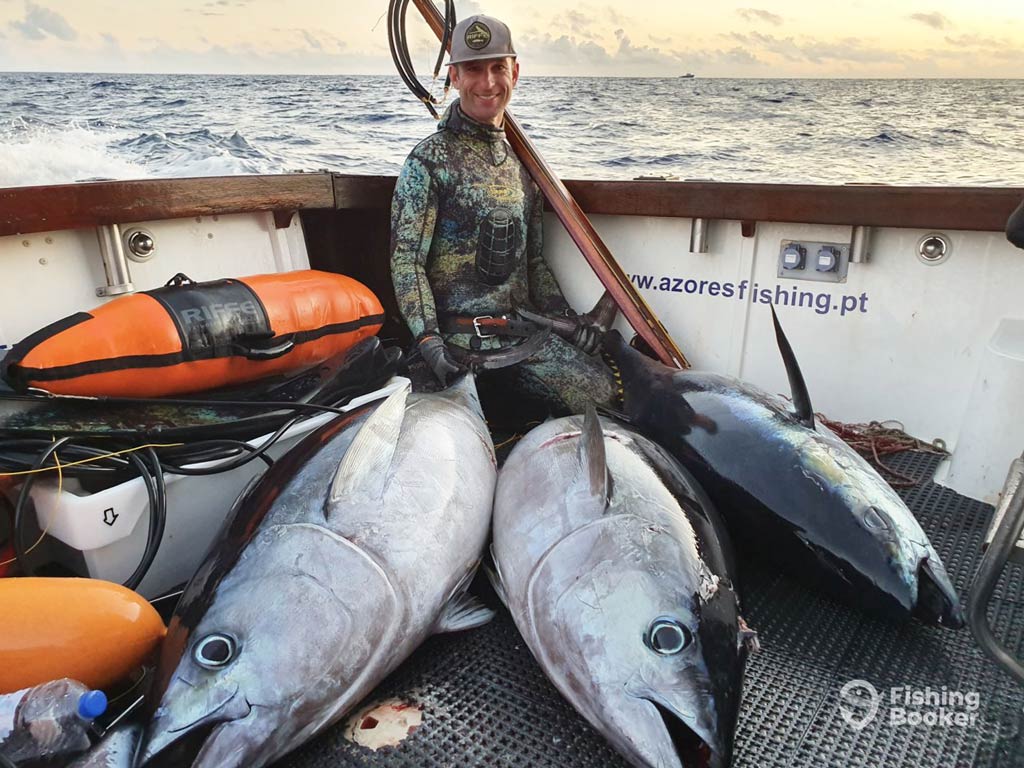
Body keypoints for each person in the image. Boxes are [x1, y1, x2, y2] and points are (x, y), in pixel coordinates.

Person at [389, 13, 617, 417]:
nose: (489, 83)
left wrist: (567, 318)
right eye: (474, 70)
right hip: (453, 346)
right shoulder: (428, 161)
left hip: (521, 340)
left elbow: (533, 262)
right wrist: (430, 345)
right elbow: (407, 262)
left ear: (516, 72)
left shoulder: (523, 168)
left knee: (603, 394)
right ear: (454, 78)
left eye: (498, 68)